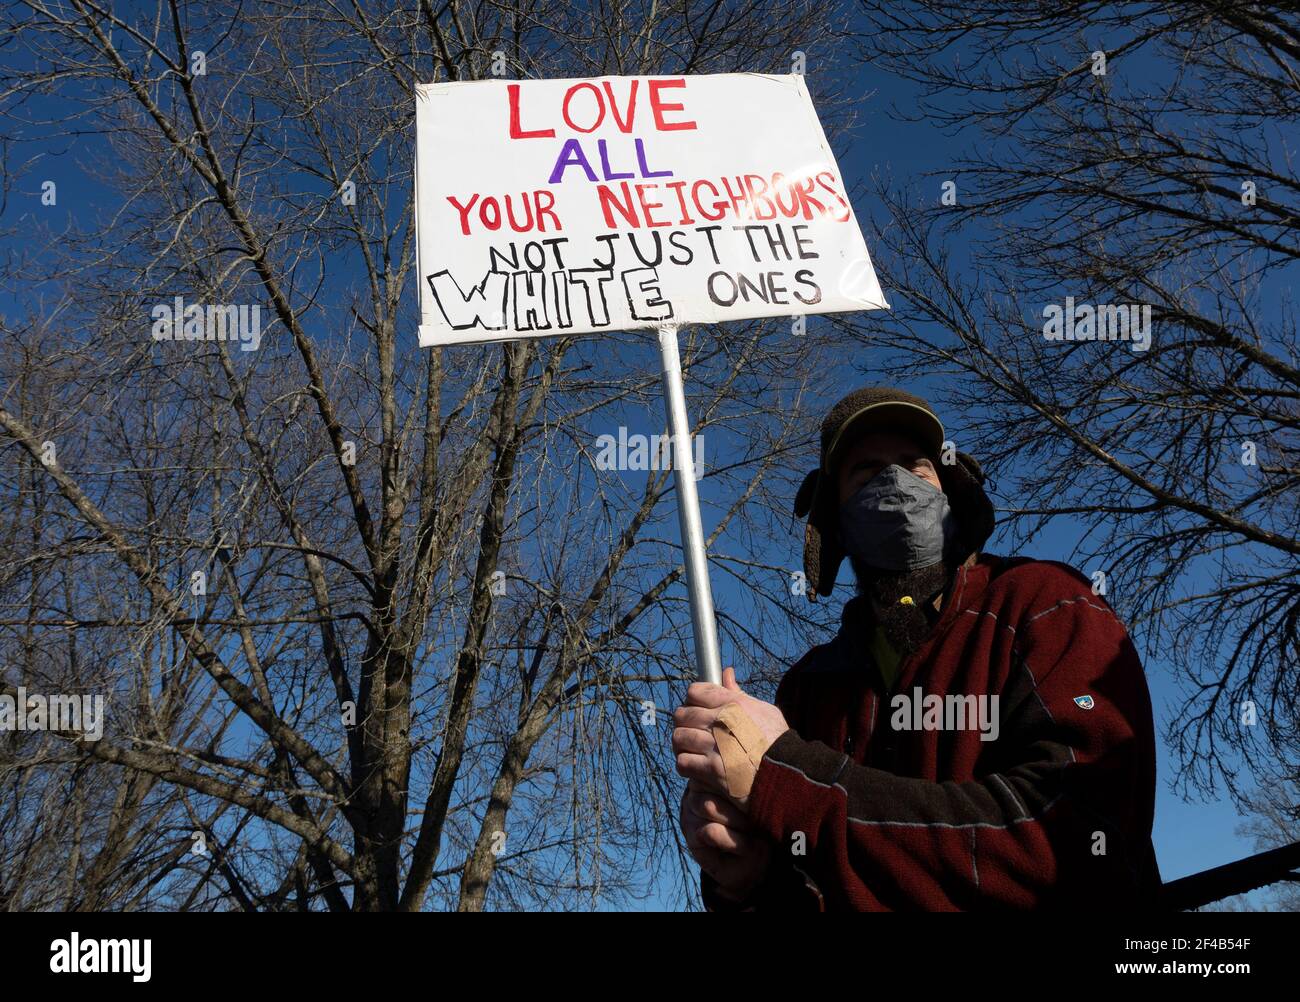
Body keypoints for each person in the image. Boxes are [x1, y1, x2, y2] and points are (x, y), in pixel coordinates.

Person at [672, 387, 1162, 910]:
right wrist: (751, 879)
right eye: (866, 472)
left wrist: (787, 774)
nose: (896, 485)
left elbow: (1078, 846)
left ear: (952, 491)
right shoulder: (809, 688)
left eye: (916, 466)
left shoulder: (1046, 605)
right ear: (833, 519)